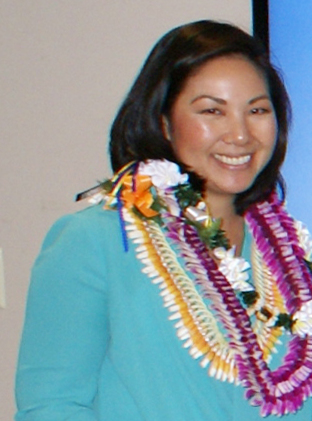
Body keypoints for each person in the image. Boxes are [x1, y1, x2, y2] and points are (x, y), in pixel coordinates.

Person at [15, 20, 312, 421]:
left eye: (257, 110)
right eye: (212, 110)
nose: (240, 134)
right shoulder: (95, 240)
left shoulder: (294, 258)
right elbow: (52, 407)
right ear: (163, 121)